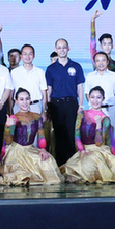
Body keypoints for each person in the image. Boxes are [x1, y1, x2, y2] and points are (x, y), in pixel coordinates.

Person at [61, 87, 115, 184]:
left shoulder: (106, 120)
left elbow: (99, 143)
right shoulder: (82, 114)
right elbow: (77, 136)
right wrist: (82, 151)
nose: (95, 100)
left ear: (103, 99)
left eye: (98, 97)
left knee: (89, 166)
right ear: (89, 98)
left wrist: (98, 124)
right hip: (83, 150)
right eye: (92, 97)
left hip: (98, 151)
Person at [0, 90, 62, 185]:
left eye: (27, 99)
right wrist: (8, 126)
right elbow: (8, 141)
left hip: (30, 149)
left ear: (30, 100)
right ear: (16, 101)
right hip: (16, 152)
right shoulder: (14, 117)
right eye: (21, 99)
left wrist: (43, 149)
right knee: (19, 173)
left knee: (47, 160)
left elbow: (41, 135)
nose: (25, 102)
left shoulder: (37, 117)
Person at [46, 38, 86, 166]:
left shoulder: (76, 66)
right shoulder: (51, 68)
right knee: (58, 134)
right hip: (56, 104)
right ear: (55, 49)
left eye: (64, 47)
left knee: (70, 134)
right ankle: (60, 165)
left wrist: (80, 105)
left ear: (68, 48)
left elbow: (80, 87)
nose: (62, 50)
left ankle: (71, 165)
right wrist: (47, 107)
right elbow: (49, 89)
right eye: (59, 48)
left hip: (71, 103)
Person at [11, 44, 49, 117]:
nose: (27, 56)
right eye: (25, 54)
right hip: (19, 107)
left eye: (30, 54)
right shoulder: (14, 72)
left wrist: (44, 111)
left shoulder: (40, 72)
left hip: (35, 107)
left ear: (34, 56)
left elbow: (44, 93)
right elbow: (11, 93)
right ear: (21, 56)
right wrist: (10, 110)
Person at [85, 51, 115, 123]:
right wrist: (95, 105)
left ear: (107, 62)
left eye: (103, 60)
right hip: (94, 110)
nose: (101, 63)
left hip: (110, 109)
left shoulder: (114, 76)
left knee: (111, 129)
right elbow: (87, 94)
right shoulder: (89, 76)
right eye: (98, 61)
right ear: (94, 63)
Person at [89, 10, 115, 74]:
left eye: (109, 44)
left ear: (112, 46)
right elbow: (93, 41)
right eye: (104, 44)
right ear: (101, 46)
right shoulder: (96, 59)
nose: (107, 46)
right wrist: (92, 21)